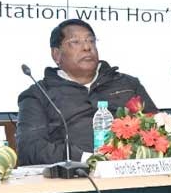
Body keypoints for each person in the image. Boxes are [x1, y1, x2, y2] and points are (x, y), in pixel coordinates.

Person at [16, 19, 157, 165]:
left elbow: (159, 130)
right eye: (75, 42)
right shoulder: (38, 94)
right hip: (74, 174)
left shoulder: (128, 84)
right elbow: (29, 149)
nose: (87, 47)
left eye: (91, 41)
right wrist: (85, 159)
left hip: (131, 169)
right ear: (56, 54)